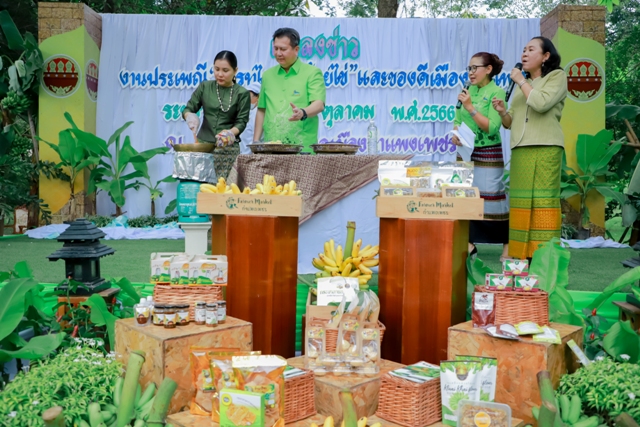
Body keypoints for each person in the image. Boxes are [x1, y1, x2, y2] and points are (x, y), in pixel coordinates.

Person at [492, 36, 567, 260]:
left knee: (543, 200)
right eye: (523, 50)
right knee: (521, 202)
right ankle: (520, 255)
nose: (524, 54)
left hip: (546, 146)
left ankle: (543, 255)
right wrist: (503, 111)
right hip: (521, 147)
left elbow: (541, 103)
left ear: (545, 56)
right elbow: (509, 123)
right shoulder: (521, 85)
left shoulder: (557, 76)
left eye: (531, 50)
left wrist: (521, 82)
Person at [452, 52, 510, 262]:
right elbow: (457, 118)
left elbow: (493, 128)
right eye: (469, 68)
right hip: (466, 152)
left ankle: (507, 246)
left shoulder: (496, 92)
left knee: (491, 197)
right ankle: (469, 244)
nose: (471, 72)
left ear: (488, 69)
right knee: (466, 197)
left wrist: (470, 107)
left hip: (488, 152)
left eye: (475, 68)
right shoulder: (467, 90)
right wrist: (456, 134)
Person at [253, 27, 326, 152]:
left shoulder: (312, 73)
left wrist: (302, 112)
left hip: (302, 148)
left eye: (283, 49)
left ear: (296, 49)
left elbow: (319, 104)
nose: (278, 53)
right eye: (275, 48)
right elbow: (261, 110)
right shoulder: (268, 75)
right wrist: (256, 142)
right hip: (271, 147)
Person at [183, 50, 251, 179]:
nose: (220, 74)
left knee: (224, 188)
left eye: (225, 70)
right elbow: (189, 108)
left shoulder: (242, 93)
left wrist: (230, 133)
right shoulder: (205, 87)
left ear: (235, 71)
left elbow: (242, 122)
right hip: (204, 146)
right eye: (216, 69)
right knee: (202, 186)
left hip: (227, 149)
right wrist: (189, 116)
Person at [239, 81, 263, 154]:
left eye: (248, 97)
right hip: (243, 155)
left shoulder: (259, 113)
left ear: (258, 97)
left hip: (252, 156)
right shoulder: (249, 112)